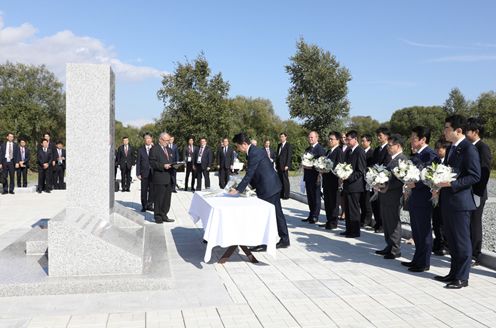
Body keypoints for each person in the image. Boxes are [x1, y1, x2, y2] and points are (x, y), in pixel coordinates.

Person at [434, 115, 480, 289]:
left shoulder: (468, 149)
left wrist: (451, 184)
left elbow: (474, 176)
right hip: (448, 201)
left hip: (460, 202)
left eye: (447, 128)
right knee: (452, 240)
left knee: (461, 241)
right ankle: (453, 273)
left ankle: (462, 277)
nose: (444, 131)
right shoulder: (452, 148)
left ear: (458, 130)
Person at [229, 133, 290, 251]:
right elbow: (255, 172)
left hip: (269, 188)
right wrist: (245, 187)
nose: (237, 149)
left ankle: (268, 242)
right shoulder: (252, 151)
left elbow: (250, 173)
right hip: (269, 186)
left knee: (272, 215)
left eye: (238, 146)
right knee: (276, 214)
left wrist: (238, 190)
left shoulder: (254, 152)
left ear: (244, 144)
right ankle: (284, 239)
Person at [401, 127, 438, 272]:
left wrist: (415, 183)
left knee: (424, 230)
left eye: (414, 137)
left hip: (424, 197)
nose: (411, 140)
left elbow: (430, 176)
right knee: (416, 230)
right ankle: (417, 259)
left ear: (423, 139)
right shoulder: (416, 155)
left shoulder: (430, 155)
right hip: (414, 197)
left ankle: (424, 262)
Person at [375, 134, 408, 258]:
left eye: (390, 145)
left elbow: (400, 180)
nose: (388, 148)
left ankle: (395, 249)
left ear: (398, 146)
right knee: (387, 222)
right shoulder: (391, 159)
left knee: (393, 222)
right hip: (385, 195)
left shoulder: (402, 159)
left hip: (393, 196)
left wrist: (385, 186)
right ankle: (389, 245)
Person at [466, 117, 492, 267]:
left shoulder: (483, 148)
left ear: (475, 132)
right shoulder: (468, 147)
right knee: (467, 223)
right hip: (467, 192)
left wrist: (477, 193)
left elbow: (485, 173)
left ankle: (475, 254)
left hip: (477, 193)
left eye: (467, 130)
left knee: (475, 223)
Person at [340, 130, 366, 238]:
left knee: (354, 209)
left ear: (355, 139)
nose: (347, 141)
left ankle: (355, 231)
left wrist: (348, 177)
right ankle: (348, 229)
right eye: (346, 139)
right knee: (347, 208)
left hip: (355, 186)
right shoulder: (348, 151)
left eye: (349, 139)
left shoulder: (359, 151)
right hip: (347, 185)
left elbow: (360, 170)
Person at [148, 132, 175, 224]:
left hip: (169, 177)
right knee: (159, 198)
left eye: (168, 140)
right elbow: (152, 163)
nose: (168, 142)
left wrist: (176, 165)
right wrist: (163, 166)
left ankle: (164, 215)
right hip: (159, 178)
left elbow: (172, 161)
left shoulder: (170, 150)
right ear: (160, 139)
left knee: (167, 199)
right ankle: (158, 216)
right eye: (166, 140)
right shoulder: (154, 149)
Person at [302, 131, 326, 224]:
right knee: (310, 197)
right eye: (309, 137)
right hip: (308, 176)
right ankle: (311, 214)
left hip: (316, 176)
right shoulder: (308, 149)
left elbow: (322, 163)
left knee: (316, 197)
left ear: (317, 138)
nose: (310, 139)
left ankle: (315, 216)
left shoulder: (320, 149)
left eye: (312, 137)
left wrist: (312, 166)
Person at [432, 139, 450, 256]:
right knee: (436, 221)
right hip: (435, 194)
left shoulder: (449, 162)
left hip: (445, 195)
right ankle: (438, 242)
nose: (439, 151)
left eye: (441, 148)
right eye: (437, 148)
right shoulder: (435, 161)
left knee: (444, 222)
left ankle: (445, 245)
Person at [371, 127, 392, 233]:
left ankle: (383, 224)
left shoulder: (389, 149)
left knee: (382, 203)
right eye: (378, 135)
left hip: (384, 180)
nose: (378, 137)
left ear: (386, 136)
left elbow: (387, 163)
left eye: (380, 135)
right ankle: (378, 223)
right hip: (375, 179)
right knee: (375, 202)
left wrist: (379, 174)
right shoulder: (376, 149)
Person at [322, 132, 343, 230]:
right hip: (326, 180)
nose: (330, 141)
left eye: (332, 139)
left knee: (334, 202)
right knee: (328, 202)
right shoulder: (328, 151)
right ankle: (328, 220)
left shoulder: (339, 151)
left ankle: (333, 222)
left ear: (338, 140)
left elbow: (340, 166)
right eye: (329, 139)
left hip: (334, 181)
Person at [136, 133, 154, 212]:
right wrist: (138, 173)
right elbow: (138, 162)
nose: (148, 140)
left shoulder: (155, 148)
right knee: (144, 190)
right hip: (144, 173)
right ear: (144, 140)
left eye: (150, 138)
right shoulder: (140, 150)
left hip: (153, 173)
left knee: (152, 190)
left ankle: (150, 205)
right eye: (147, 138)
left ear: (152, 139)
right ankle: (144, 206)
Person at [359, 134, 374, 228]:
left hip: (368, 179)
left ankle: (367, 219)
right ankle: (363, 217)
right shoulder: (361, 151)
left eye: (364, 141)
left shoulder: (371, 153)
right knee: (362, 200)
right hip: (361, 179)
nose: (362, 142)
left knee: (367, 201)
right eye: (362, 141)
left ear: (369, 142)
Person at [276, 133, 292, 200]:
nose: (281, 138)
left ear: (286, 137)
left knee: (285, 180)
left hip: (285, 165)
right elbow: (278, 155)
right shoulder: (279, 145)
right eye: (280, 137)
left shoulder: (288, 145)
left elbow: (289, 156)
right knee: (280, 180)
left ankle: (286, 195)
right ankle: (281, 194)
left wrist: (287, 165)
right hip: (279, 165)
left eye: (282, 137)